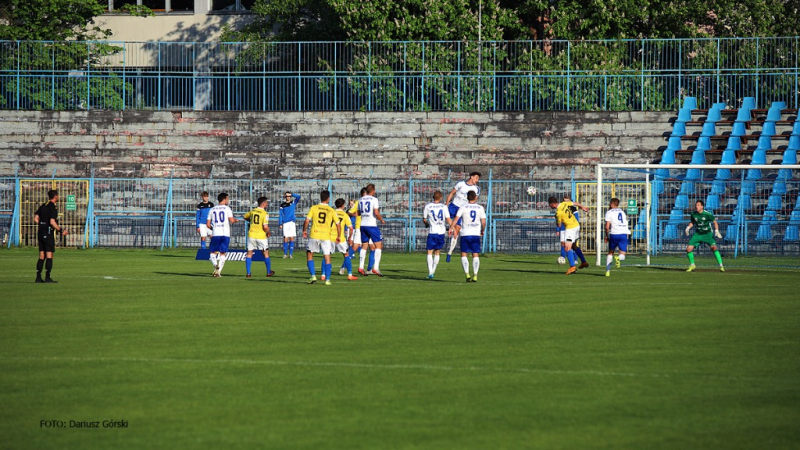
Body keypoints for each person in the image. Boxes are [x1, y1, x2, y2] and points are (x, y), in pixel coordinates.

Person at [303, 190, 341, 285]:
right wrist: (339, 235)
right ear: (328, 199)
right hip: (326, 236)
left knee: (310, 254)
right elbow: (338, 224)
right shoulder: (331, 210)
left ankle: (313, 276)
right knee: (327, 256)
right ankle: (327, 280)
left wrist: (304, 230)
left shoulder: (314, 208)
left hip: (314, 234)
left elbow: (307, 221)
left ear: (320, 197)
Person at [445, 172, 481, 262]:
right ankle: (451, 227)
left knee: (456, 232)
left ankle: (449, 252)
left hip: (462, 210)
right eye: (476, 178)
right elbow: (452, 193)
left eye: (478, 179)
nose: (477, 180)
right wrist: (446, 204)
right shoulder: (460, 184)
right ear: (471, 177)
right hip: (453, 206)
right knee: (445, 215)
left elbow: (474, 200)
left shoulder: (476, 189)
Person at [34, 189, 68, 283]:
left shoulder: (43, 206)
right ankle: (47, 278)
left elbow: (36, 218)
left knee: (41, 255)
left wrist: (42, 225)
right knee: (49, 255)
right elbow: (52, 222)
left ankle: (38, 278)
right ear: (56, 196)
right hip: (48, 233)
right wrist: (61, 230)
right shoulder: (53, 207)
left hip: (40, 232)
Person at [549, 196, 589, 275]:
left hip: (570, 228)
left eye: (550, 205)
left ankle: (572, 267)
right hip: (576, 225)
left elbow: (559, 225)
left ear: (552, 204)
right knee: (574, 246)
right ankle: (583, 262)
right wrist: (583, 207)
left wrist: (557, 220)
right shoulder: (564, 203)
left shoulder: (558, 213)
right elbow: (575, 203)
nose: (550, 206)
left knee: (567, 247)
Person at [452, 191, 486, 282]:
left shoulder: (463, 207)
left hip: (465, 234)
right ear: (475, 197)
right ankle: (475, 275)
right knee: (475, 254)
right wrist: (482, 230)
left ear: (467, 197)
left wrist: (451, 228)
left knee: (464, 254)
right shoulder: (480, 208)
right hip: (475, 234)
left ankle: (467, 274)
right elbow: (483, 222)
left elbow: (456, 219)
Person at [685, 200, 725, 272]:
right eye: (696, 205)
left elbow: (715, 222)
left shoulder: (707, 214)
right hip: (698, 234)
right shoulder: (693, 214)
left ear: (702, 206)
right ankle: (692, 265)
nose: (696, 207)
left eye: (698, 205)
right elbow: (692, 222)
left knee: (714, 248)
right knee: (688, 249)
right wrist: (688, 228)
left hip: (707, 234)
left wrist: (716, 231)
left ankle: (721, 265)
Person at [357, 183, 386, 277]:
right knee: (379, 245)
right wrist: (381, 219)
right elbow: (376, 212)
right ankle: (376, 268)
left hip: (363, 225)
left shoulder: (360, 199)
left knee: (364, 246)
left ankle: (361, 267)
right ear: (373, 191)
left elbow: (358, 212)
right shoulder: (374, 199)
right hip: (371, 225)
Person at [206, 192, 237, 277]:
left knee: (212, 252)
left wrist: (214, 228)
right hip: (225, 234)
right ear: (224, 199)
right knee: (223, 253)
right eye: (227, 199)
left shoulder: (212, 209)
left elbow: (208, 224)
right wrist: (235, 220)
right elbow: (231, 220)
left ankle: (215, 264)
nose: (228, 200)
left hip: (216, 233)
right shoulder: (227, 209)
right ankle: (218, 272)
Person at [243, 196, 275, 278]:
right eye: (266, 203)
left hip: (251, 235)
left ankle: (248, 273)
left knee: (249, 253)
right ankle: (268, 272)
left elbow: (245, 216)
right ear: (263, 204)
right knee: (266, 254)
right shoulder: (265, 214)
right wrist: (268, 232)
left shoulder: (253, 211)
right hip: (261, 236)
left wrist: (251, 221)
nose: (267, 204)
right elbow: (265, 226)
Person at [422, 190, 450, 279]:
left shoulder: (428, 206)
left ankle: (430, 271)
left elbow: (424, 219)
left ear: (432, 197)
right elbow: (448, 219)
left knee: (429, 251)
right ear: (441, 198)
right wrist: (453, 227)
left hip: (432, 231)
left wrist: (426, 224)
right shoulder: (444, 207)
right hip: (441, 232)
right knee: (437, 252)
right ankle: (433, 270)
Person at [332, 198, 358, 280]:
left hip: (330, 237)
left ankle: (323, 275)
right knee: (346, 255)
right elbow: (351, 228)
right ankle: (350, 274)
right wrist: (350, 237)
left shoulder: (331, 213)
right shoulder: (345, 215)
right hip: (340, 238)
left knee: (327, 255)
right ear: (343, 206)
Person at [604, 197, 631, 277]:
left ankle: (607, 271)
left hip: (614, 234)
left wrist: (606, 235)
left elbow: (607, 227)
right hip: (623, 233)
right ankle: (618, 258)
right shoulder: (622, 212)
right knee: (622, 254)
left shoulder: (609, 212)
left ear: (612, 204)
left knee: (610, 252)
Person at [279, 191, 301, 258]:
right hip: (285, 223)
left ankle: (290, 254)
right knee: (285, 238)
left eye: (289, 196)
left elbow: (299, 196)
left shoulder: (293, 203)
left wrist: (292, 194)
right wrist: (280, 223)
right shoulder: (282, 205)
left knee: (291, 238)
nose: (288, 197)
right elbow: (281, 215)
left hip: (292, 222)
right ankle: (285, 254)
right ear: (285, 197)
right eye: (287, 196)